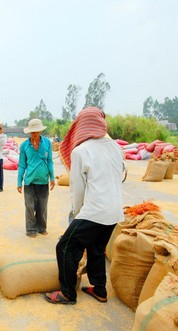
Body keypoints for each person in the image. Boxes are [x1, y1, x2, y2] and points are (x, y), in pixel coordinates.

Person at [45, 107, 124, 305]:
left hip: (94, 211)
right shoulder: (115, 147)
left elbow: (77, 190)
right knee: (96, 249)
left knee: (65, 247)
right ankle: (99, 290)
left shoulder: (81, 151)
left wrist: (77, 213)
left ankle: (68, 293)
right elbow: (121, 174)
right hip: (114, 211)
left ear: (80, 125)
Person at [16, 119, 55, 236]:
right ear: (29, 132)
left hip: (43, 180)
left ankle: (41, 227)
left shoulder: (47, 143)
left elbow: (50, 161)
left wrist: (52, 177)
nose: (35, 134)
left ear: (40, 131)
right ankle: (31, 229)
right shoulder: (24, 146)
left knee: (42, 206)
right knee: (29, 206)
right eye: (32, 132)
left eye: (37, 131)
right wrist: (19, 181)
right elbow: (22, 164)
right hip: (29, 181)